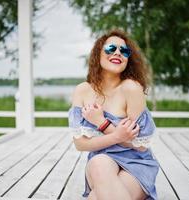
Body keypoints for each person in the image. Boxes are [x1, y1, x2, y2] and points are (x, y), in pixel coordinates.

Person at [68, 29, 159, 200]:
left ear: (128, 59)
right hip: (100, 164)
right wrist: (116, 135)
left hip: (135, 164)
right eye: (111, 48)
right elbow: (80, 144)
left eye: (124, 51)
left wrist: (101, 123)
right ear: (98, 53)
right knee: (99, 162)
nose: (118, 52)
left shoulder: (131, 88)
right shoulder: (82, 91)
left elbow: (140, 145)